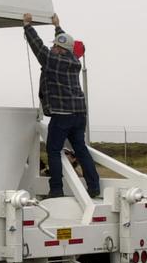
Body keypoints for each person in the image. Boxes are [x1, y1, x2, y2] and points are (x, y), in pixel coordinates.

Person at [23, 12, 100, 199]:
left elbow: (37, 46)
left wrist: (27, 26)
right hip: (80, 114)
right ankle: (94, 186)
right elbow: (66, 42)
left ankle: (56, 189)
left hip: (62, 114)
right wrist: (57, 26)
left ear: (59, 49)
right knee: (80, 149)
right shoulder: (74, 60)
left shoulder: (52, 60)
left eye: (55, 46)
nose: (52, 48)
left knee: (53, 150)